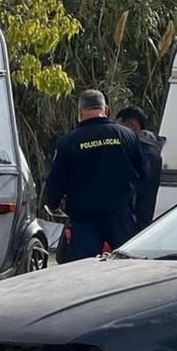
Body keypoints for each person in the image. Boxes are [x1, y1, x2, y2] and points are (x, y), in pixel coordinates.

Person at [44, 90, 147, 260]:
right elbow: (143, 175)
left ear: (80, 112)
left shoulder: (69, 141)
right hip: (121, 216)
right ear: (106, 109)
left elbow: (56, 180)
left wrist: (52, 203)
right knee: (126, 265)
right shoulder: (127, 136)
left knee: (84, 269)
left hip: (85, 220)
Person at [116, 106, 165, 230]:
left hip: (136, 220)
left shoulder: (149, 153)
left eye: (119, 127)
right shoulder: (139, 148)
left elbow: (139, 184)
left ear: (132, 125)